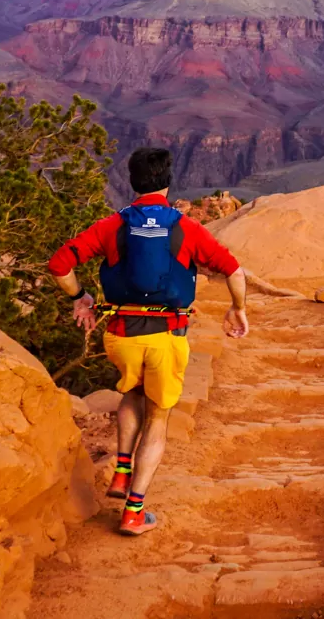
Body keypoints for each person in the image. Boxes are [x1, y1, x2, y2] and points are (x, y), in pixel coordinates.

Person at [49, 147, 249, 536]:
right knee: (158, 416)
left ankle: (122, 470)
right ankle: (134, 512)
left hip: (120, 337)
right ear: (167, 182)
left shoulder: (112, 225)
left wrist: (80, 298)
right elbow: (234, 270)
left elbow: (59, 265)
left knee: (132, 393)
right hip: (166, 336)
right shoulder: (185, 228)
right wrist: (237, 308)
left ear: (132, 182)